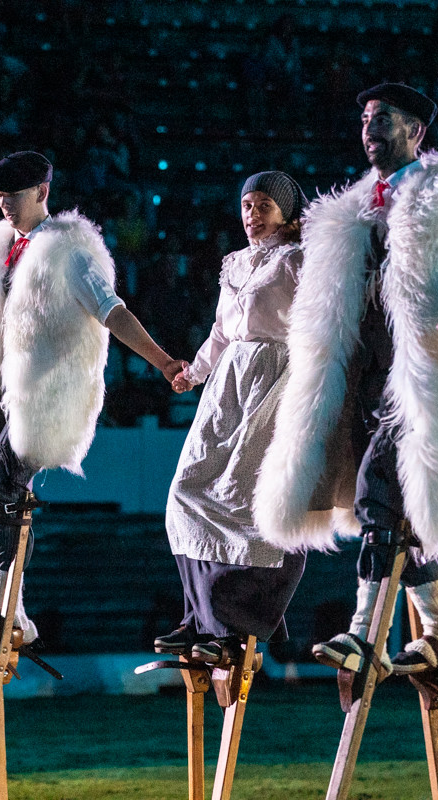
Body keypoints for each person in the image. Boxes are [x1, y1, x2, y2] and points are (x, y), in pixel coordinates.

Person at [255, 83, 438, 677]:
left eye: (385, 119)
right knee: (397, 518)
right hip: (368, 382)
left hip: (417, 388)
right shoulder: (353, 210)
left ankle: (363, 635)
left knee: (377, 495)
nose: (371, 129)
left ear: (415, 132)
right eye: (366, 118)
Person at [0, 151, 186, 647]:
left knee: (1, 487)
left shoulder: (69, 251)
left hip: (45, 394)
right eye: (0, 196)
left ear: (42, 192)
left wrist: (161, 361)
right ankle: (17, 614)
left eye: (14, 194)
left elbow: (112, 310)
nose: (5, 204)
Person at [154, 171, 309, 663]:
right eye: (247, 204)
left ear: (286, 213)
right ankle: (197, 616)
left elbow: (321, 324)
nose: (252, 214)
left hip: (276, 378)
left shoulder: (298, 260)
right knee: (186, 492)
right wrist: (194, 373)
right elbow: (221, 333)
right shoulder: (236, 262)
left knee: (249, 500)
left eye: (264, 205)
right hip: (229, 384)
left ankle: (230, 623)